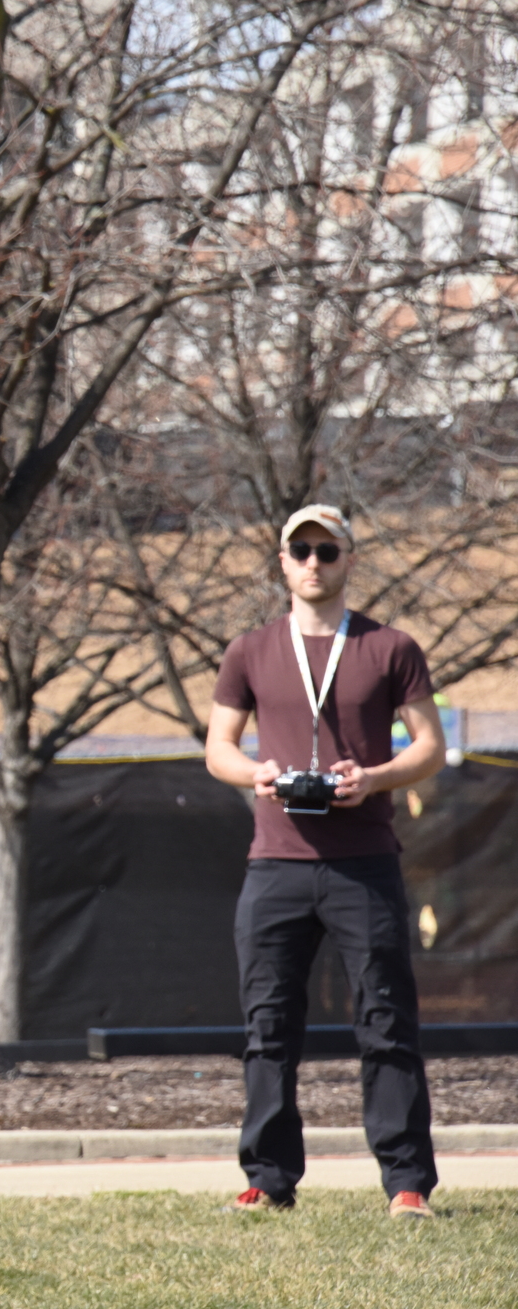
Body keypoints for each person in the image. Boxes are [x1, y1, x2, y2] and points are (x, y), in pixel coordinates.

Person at [204, 504, 444, 1219]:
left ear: (348, 560)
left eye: (327, 550)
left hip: (364, 861)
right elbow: (217, 748)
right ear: (282, 561)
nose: (314, 562)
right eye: (300, 549)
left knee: (387, 1021)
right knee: (268, 1026)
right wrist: (256, 775)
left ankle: (407, 1183)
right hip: (274, 864)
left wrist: (372, 778)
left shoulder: (390, 646)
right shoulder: (249, 649)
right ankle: (269, 1179)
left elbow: (429, 746)